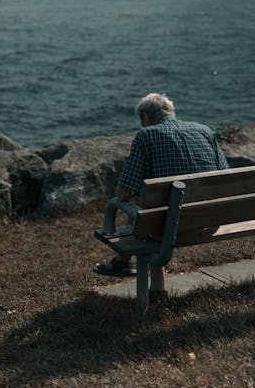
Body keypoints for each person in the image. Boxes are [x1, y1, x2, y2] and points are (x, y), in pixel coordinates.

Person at [94, 92, 230, 276]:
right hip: (209, 223)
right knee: (155, 201)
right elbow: (226, 178)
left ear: (145, 117)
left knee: (140, 201)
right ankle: (123, 262)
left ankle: (127, 265)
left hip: (167, 228)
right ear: (172, 112)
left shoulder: (146, 136)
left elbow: (123, 193)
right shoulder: (205, 131)